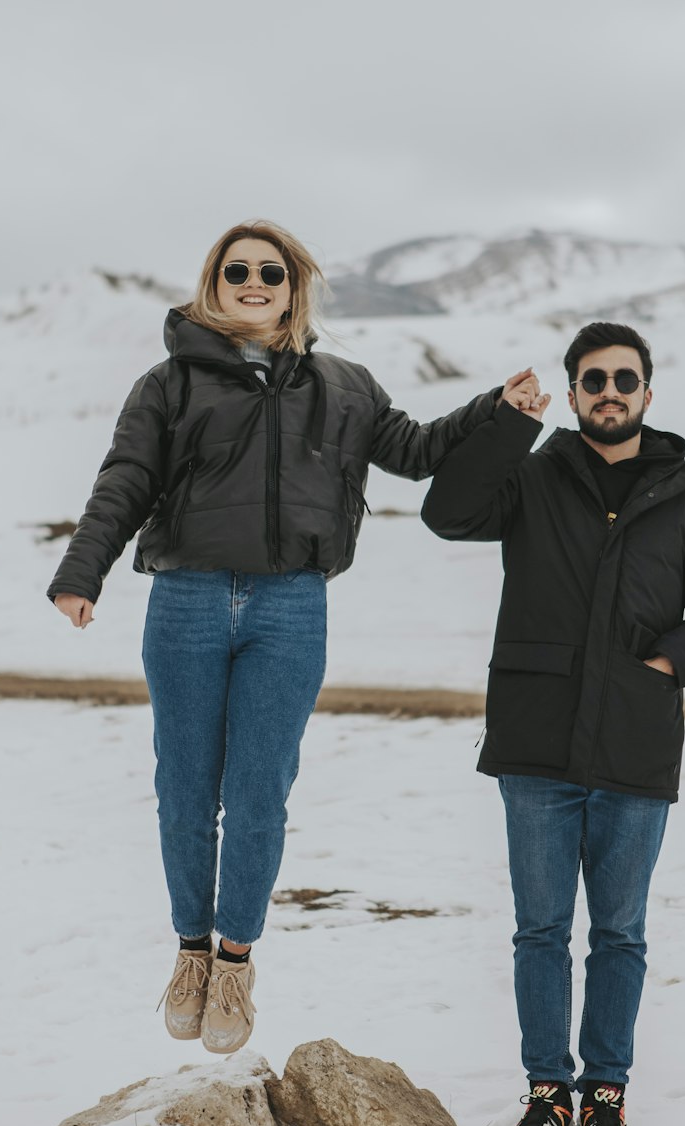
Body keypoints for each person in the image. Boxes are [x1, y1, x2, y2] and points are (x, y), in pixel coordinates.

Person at [48, 219, 535, 1054]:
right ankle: (191, 952)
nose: (252, 280)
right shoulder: (166, 384)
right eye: (235, 269)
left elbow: (417, 451)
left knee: (261, 793)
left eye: (268, 271)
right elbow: (126, 479)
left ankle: (236, 959)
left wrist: (497, 412)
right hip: (188, 600)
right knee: (185, 790)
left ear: (292, 285)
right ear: (213, 281)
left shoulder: (344, 387)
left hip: (290, 607)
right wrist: (81, 571)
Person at [421, 322, 685, 1126]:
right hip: (535, 742)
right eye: (594, 380)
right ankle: (545, 1093)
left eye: (624, 379)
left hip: (637, 741)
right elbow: (447, 513)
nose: (610, 392)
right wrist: (504, 423)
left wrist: (672, 658)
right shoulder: (532, 475)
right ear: (572, 394)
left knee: (620, 934)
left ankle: (605, 1095)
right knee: (539, 930)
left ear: (649, 392)